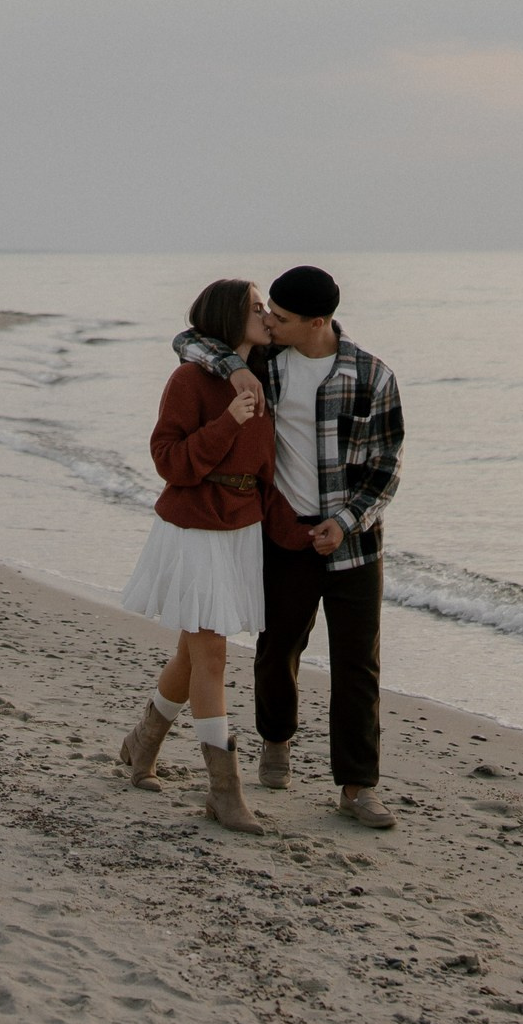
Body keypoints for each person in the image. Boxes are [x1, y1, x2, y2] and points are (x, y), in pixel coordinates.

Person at [173, 265, 405, 829]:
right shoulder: (261, 365)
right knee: (278, 649)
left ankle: (357, 787)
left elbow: (386, 469)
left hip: (353, 542)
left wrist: (346, 522)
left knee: (358, 664)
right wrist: (234, 368)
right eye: (267, 313)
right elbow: (188, 340)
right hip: (281, 536)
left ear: (317, 322)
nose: (269, 323)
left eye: (280, 317)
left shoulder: (371, 376)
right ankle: (276, 739)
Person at [115, 278, 318, 834]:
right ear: (231, 318)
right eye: (258, 308)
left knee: (192, 652)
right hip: (193, 529)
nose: (268, 316)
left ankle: (141, 743)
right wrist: (228, 419)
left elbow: (264, 476)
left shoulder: (267, 374)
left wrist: (298, 533)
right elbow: (169, 460)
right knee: (212, 657)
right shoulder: (189, 378)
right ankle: (224, 792)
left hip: (241, 531)